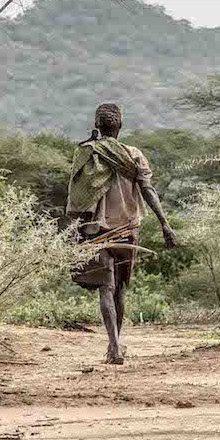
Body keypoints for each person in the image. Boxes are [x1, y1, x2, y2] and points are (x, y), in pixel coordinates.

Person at [66, 102, 176, 364]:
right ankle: (115, 345)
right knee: (120, 291)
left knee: (106, 288)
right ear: (120, 126)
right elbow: (148, 190)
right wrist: (164, 223)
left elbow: (78, 195)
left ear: (96, 126)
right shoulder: (135, 154)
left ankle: (114, 347)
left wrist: (74, 233)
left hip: (96, 231)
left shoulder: (87, 152)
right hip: (127, 230)